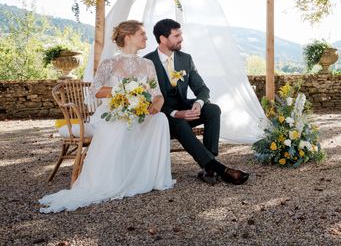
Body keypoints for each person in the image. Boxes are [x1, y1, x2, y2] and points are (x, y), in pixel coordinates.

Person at [40, 20, 174, 213]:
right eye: (142, 34)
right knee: (121, 124)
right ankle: (114, 179)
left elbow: (157, 94)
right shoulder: (110, 63)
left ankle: (151, 176)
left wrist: (156, 105)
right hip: (113, 112)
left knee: (161, 119)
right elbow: (94, 90)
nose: (146, 37)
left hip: (139, 112)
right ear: (128, 36)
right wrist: (124, 90)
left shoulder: (148, 64)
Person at [144, 18, 249, 185]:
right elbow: (147, 101)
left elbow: (202, 88)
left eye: (181, 35)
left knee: (213, 109)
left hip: (185, 108)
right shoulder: (147, 62)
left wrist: (198, 103)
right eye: (176, 35)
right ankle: (217, 169)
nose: (181, 39)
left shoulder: (185, 59)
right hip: (162, 115)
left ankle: (209, 167)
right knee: (178, 123)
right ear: (163, 39)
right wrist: (176, 113)